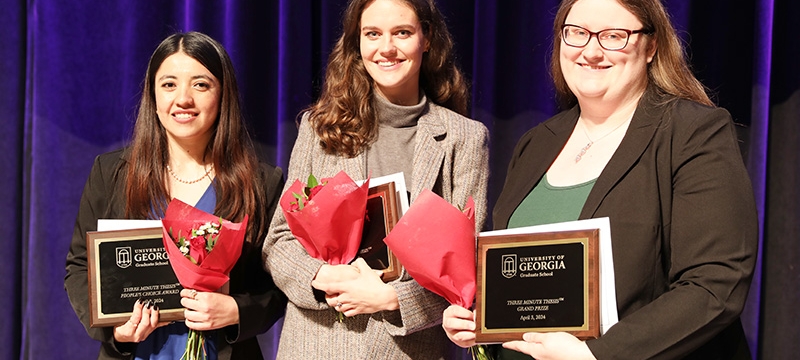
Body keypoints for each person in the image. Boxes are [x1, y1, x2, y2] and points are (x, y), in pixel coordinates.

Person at [442, 0, 758, 359]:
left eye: (613, 36)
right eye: (576, 33)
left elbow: (715, 285)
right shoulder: (536, 142)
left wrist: (595, 356)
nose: (590, 51)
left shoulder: (692, 132)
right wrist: (478, 319)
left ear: (651, 45)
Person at [262, 0, 489, 358]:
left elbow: (467, 266)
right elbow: (278, 241)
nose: (386, 48)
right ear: (358, 42)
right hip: (316, 344)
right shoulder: (319, 128)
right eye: (373, 34)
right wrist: (321, 278)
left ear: (426, 38)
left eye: (402, 32)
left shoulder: (464, 138)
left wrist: (394, 298)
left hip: (407, 350)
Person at [65, 31, 287, 360]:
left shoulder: (261, 182)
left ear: (223, 95)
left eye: (200, 84)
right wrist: (116, 331)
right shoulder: (111, 173)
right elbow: (80, 267)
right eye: (169, 84)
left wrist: (236, 310)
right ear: (153, 96)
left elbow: (280, 284)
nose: (183, 99)